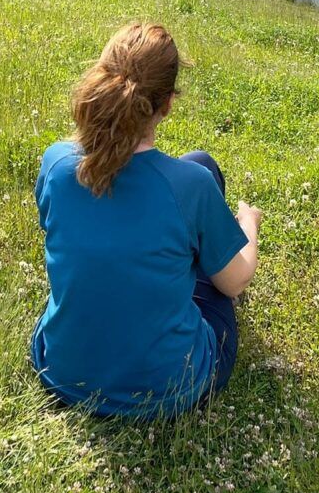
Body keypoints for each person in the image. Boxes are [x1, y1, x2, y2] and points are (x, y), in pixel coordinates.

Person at [30, 22, 262, 418]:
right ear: (167, 103)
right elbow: (235, 281)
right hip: (171, 386)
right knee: (203, 171)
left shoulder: (56, 164)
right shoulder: (192, 187)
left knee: (198, 166)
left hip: (62, 373)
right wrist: (249, 224)